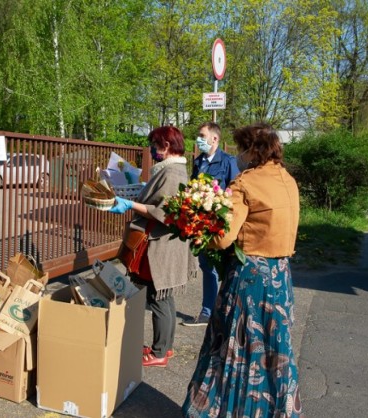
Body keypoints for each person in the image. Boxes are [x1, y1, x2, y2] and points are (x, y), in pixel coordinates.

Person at [182, 123, 302, 417]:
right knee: (275, 353)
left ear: (252, 150)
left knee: (231, 351)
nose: (238, 155)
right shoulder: (288, 180)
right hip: (280, 280)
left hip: (249, 280)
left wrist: (198, 229)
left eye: (240, 148)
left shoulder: (246, 184)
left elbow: (224, 239)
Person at [110, 126, 196, 367]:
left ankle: (158, 353)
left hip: (161, 245)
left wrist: (130, 204)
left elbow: (163, 212)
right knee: (164, 298)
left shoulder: (172, 172)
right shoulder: (172, 169)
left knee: (158, 297)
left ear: (165, 146)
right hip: (163, 243)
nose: (151, 149)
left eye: (153, 145)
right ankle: (164, 348)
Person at [182, 121, 239, 327]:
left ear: (214, 138)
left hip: (221, 225)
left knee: (224, 268)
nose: (198, 139)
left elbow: (236, 195)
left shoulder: (228, 162)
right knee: (207, 267)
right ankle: (208, 312)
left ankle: (226, 311)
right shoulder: (198, 162)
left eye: (201, 135)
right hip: (202, 226)